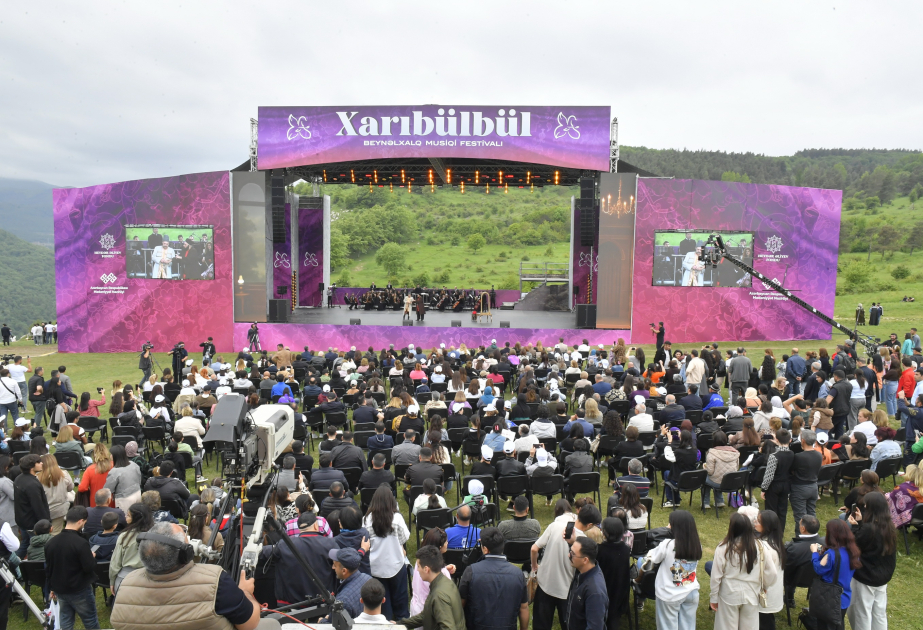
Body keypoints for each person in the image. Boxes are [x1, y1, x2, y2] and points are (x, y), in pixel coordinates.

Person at [110, 522, 281, 630]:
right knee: (272, 625)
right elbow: (250, 624)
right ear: (186, 553)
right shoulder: (215, 580)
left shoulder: (125, 585)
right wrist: (245, 592)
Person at [710, 512, 779, 630]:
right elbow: (772, 572)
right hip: (751, 593)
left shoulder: (723, 547)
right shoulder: (760, 546)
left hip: (729, 593)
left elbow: (716, 576)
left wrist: (714, 598)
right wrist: (765, 586)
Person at [458, 526, 530, 630]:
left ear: (485, 549)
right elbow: (524, 608)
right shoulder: (518, 574)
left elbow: (460, 604)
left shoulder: (471, 571)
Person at [260, 511, 338, 605]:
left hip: (291, 605)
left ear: (299, 528)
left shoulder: (284, 545)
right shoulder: (330, 544)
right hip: (322, 602)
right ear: (316, 526)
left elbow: (262, 552)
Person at [640, 509, 702, 629]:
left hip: (670, 594)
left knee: (667, 626)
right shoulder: (697, 545)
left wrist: (666, 530)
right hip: (691, 591)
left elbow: (651, 557)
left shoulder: (668, 545)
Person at [44, 506, 99, 630]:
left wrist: (52, 587)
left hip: (60, 589)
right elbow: (89, 567)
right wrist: (91, 556)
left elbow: (49, 568)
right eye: (84, 522)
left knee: (65, 620)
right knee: (90, 620)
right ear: (80, 521)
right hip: (79, 590)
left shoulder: (50, 543)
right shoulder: (80, 543)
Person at [847, 492, 896, 630]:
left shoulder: (870, 529)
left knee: (862, 611)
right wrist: (862, 524)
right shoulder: (889, 526)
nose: (864, 508)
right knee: (879, 611)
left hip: (866, 576)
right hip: (882, 576)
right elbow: (871, 542)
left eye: (866, 505)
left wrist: (856, 526)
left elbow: (855, 544)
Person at [530, 500, 582, 630]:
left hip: (546, 583)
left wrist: (534, 566)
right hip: (567, 587)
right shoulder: (580, 531)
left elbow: (534, 549)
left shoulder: (554, 526)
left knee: (541, 623)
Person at [362, 485, 410, 620]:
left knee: (383, 600)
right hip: (396, 565)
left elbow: (365, 541)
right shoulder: (397, 519)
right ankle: (402, 620)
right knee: (400, 597)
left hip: (376, 567)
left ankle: (386, 620)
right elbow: (404, 538)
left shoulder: (366, 520)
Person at [398, 544, 465, 630]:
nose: (417, 570)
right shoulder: (443, 581)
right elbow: (426, 615)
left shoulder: (438, 596)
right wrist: (399, 624)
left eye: (418, 566)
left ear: (426, 569)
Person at [810, 519, 861, 630]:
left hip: (829, 597)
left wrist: (814, 553)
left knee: (825, 625)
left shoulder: (832, 554)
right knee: (838, 623)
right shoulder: (854, 552)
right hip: (844, 596)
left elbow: (818, 569)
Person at [110, 503, 154, 596]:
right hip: (150, 578)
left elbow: (115, 563)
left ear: (136, 518)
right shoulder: (156, 535)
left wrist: (112, 581)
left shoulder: (124, 537)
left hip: (126, 579)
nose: (125, 517)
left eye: (128, 515)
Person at [13, 454, 50, 557]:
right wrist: (45, 524)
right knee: (37, 549)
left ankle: (13, 563)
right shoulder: (32, 484)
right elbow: (38, 507)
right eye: (38, 462)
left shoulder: (19, 479)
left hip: (23, 520)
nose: (42, 463)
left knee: (25, 544)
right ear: (31, 466)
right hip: (32, 524)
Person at [789, 430, 823, 535]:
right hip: (813, 487)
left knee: (801, 518)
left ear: (802, 440)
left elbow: (791, 469)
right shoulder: (819, 455)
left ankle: (800, 541)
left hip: (800, 488)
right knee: (811, 515)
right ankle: (813, 537)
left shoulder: (799, 457)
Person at [761, 429, 795, 529]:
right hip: (786, 485)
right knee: (782, 510)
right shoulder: (792, 454)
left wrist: (764, 489)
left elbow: (769, 475)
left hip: (774, 486)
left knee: (771, 511)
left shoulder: (774, 456)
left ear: (776, 439)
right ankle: (780, 532)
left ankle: (771, 532)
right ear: (790, 440)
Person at [703, 431, 740, 509]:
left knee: (705, 479)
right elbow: (736, 468)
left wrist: (705, 467)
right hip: (731, 483)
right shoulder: (735, 452)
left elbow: (710, 472)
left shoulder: (712, 453)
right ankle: (719, 501)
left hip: (718, 483)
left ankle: (705, 502)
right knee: (718, 476)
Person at [39, 453, 74, 534]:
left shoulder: (37, 478)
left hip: (44, 510)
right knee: (56, 532)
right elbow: (70, 488)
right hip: (59, 510)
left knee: (44, 532)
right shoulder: (64, 474)